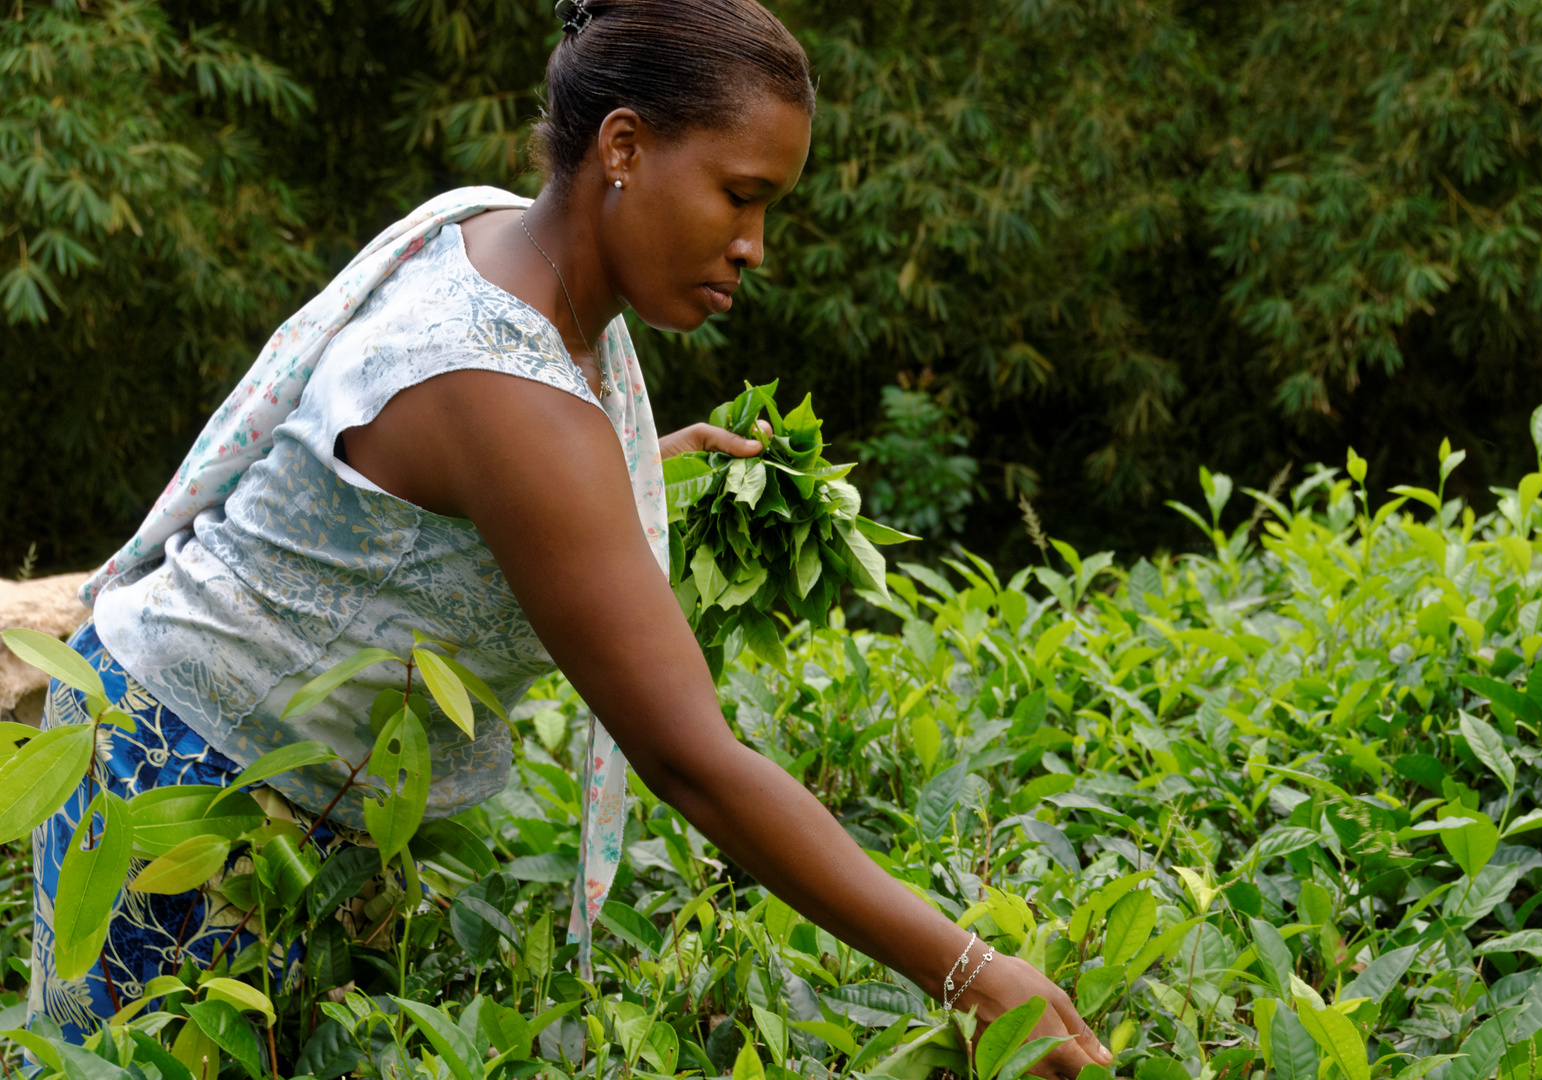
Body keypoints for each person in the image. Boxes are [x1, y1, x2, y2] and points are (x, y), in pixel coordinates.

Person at [35, 0, 1114, 1075]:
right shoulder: (508, 394)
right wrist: (970, 972)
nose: (753, 246)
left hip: (285, 778)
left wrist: (638, 471)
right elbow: (690, 759)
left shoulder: (494, 231)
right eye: (741, 197)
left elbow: (471, 486)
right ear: (625, 147)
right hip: (189, 788)